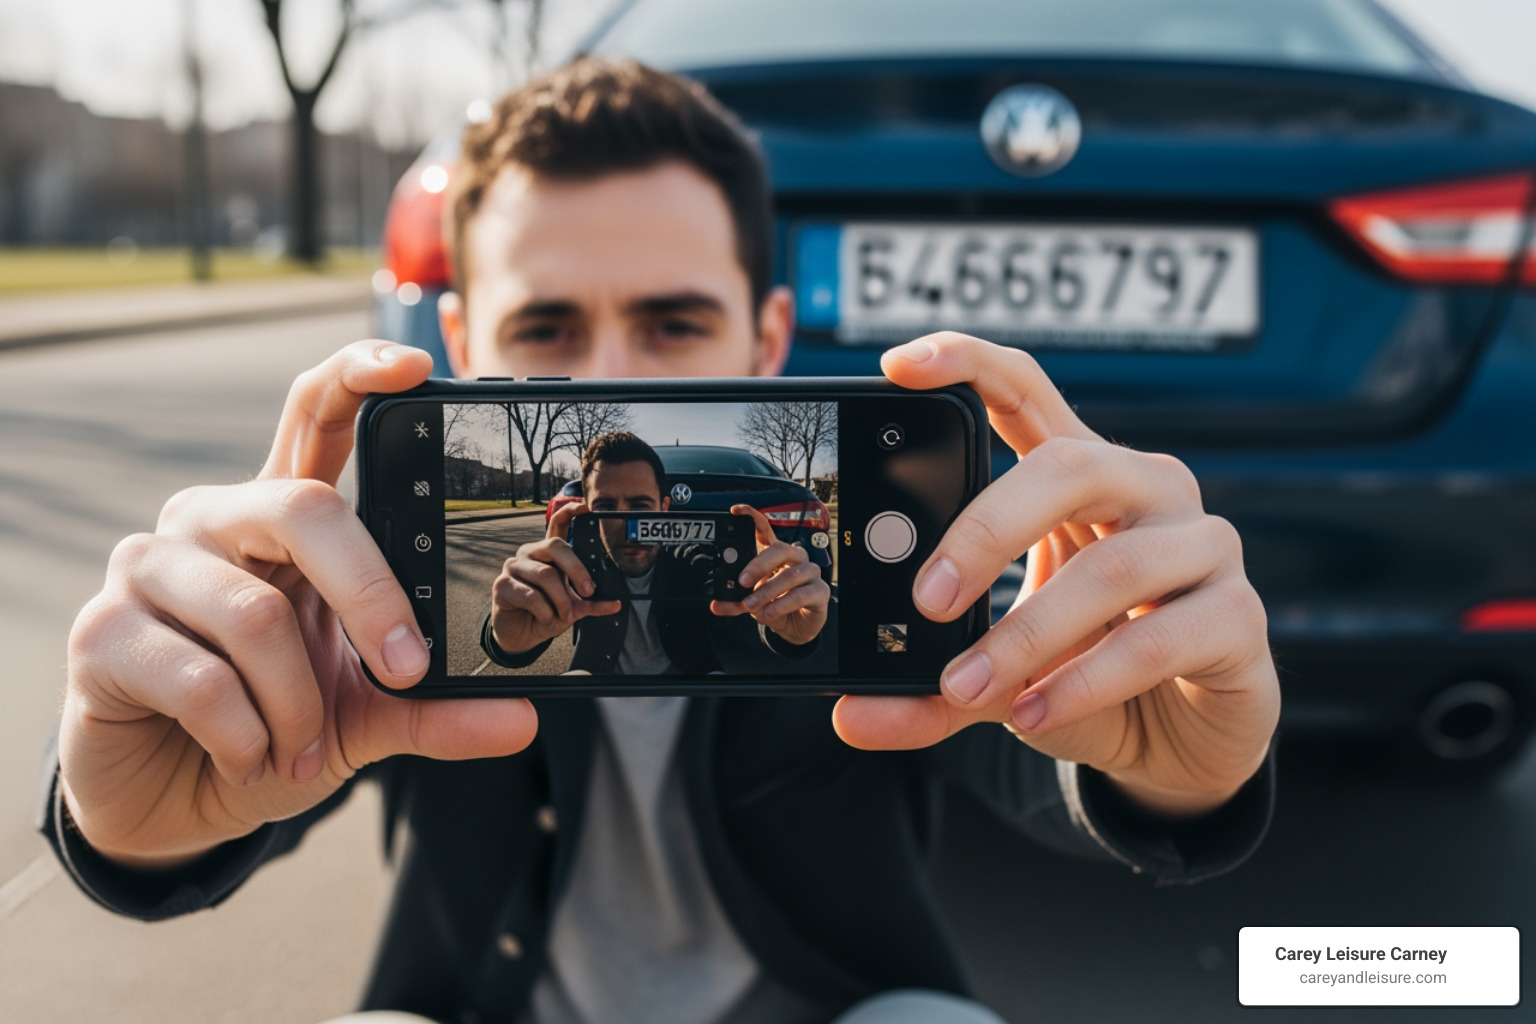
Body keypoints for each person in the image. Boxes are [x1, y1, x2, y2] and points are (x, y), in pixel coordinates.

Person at [42, 58, 1280, 1024]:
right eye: (551, 329)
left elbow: (1049, 749)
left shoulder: (839, 561)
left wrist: (1181, 756)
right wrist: (131, 812)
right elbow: (230, 784)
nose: (616, 376)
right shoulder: (409, 590)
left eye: (674, 324)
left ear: (769, 339)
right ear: (464, 346)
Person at [481, 430, 828, 674]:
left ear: (664, 508)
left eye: (640, 505)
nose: (628, 524)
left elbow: (711, 574)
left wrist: (802, 632)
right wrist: (505, 640)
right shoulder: (579, 572)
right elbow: (523, 604)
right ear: (585, 511)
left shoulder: (689, 561)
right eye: (606, 507)